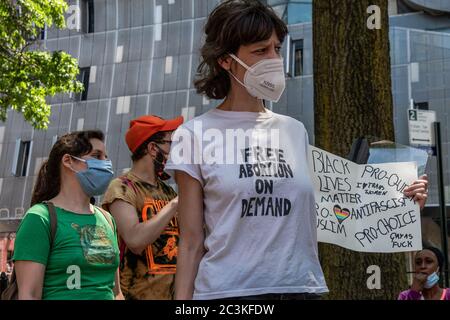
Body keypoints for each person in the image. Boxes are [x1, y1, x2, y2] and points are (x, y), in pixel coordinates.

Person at [165, 0, 430, 300]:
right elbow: (190, 242)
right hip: (227, 294)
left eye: (276, 48)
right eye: (260, 51)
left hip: (301, 289)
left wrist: (397, 203)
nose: (274, 59)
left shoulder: (294, 131)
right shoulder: (194, 135)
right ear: (225, 60)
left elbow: (324, 212)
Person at [13, 130, 122, 300]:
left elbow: (115, 292)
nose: (106, 164)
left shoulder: (107, 219)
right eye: (97, 155)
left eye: (105, 157)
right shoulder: (40, 218)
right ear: (68, 161)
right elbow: (29, 295)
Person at [102, 115, 182, 300]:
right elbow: (135, 240)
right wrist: (175, 204)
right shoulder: (122, 188)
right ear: (153, 148)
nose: (175, 150)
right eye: (171, 143)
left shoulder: (169, 192)